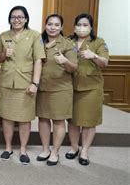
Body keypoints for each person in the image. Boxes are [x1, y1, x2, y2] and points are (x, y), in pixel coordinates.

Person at [0, 5, 45, 165]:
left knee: (24, 119)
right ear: (9, 19)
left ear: (26, 19)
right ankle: (8, 148)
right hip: (7, 81)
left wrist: (35, 83)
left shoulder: (35, 36)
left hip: (26, 83)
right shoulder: (3, 35)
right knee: (7, 117)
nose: (17, 20)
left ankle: (23, 149)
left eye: (20, 17)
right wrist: (3, 54)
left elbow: (38, 60)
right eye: (13, 17)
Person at [66, 13, 109, 166]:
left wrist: (94, 55)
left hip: (91, 87)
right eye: (79, 25)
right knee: (72, 121)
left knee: (89, 121)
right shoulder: (68, 41)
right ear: (74, 26)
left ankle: (84, 151)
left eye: (85, 25)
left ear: (91, 27)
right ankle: (74, 148)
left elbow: (105, 62)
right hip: (71, 86)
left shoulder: (98, 42)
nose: (81, 28)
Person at [36, 14, 78, 166]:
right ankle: (45, 149)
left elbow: (74, 68)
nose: (52, 27)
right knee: (43, 119)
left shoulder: (67, 44)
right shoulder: (39, 41)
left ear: (61, 27)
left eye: (56, 25)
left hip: (61, 89)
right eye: (50, 24)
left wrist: (65, 61)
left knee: (59, 121)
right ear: (45, 25)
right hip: (42, 87)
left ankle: (55, 152)